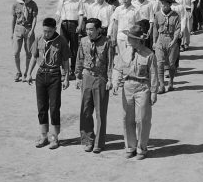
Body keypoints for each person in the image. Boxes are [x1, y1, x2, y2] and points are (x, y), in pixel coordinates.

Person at [112, 24, 158, 160]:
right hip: (127, 87)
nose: (128, 40)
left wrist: (154, 92)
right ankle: (130, 147)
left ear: (138, 40)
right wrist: (115, 82)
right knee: (127, 118)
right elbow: (117, 68)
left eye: (131, 38)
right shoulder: (125, 52)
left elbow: (154, 74)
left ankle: (142, 149)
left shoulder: (149, 54)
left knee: (142, 119)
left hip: (142, 87)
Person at [28, 17, 71, 149]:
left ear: (55, 29)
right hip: (41, 74)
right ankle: (43, 136)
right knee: (41, 107)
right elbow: (34, 57)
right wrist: (29, 73)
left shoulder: (61, 41)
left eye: (49, 31)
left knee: (54, 107)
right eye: (45, 31)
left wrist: (67, 77)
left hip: (54, 75)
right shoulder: (39, 38)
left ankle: (54, 137)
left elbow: (65, 61)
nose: (47, 34)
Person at [74, 18, 114, 153]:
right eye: (87, 29)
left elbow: (110, 62)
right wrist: (78, 76)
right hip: (86, 76)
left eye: (91, 29)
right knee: (85, 110)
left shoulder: (107, 42)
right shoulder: (83, 41)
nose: (88, 32)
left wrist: (110, 79)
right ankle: (87, 140)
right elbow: (79, 59)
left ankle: (99, 143)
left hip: (101, 77)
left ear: (98, 30)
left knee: (100, 112)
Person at [152, 0, 181, 93]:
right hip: (160, 39)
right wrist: (154, 42)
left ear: (169, 5)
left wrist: (174, 41)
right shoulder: (157, 15)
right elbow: (155, 29)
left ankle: (171, 82)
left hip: (172, 39)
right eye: (162, 4)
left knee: (171, 64)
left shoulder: (175, 15)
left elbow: (177, 29)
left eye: (165, 4)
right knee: (159, 63)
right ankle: (161, 85)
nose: (163, 6)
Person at [55, 0, 84, 81]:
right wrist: (55, 24)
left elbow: (80, 14)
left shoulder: (78, 1)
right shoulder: (62, 1)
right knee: (63, 47)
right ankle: (64, 71)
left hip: (74, 24)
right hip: (64, 25)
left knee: (74, 48)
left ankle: (73, 70)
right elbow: (58, 14)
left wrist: (80, 25)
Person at [11, 0, 38, 82]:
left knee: (29, 53)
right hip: (18, 29)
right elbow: (13, 18)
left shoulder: (32, 3)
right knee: (16, 52)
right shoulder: (16, 4)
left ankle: (27, 73)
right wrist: (12, 32)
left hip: (28, 29)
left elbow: (35, 18)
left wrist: (32, 30)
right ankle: (18, 72)